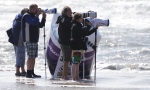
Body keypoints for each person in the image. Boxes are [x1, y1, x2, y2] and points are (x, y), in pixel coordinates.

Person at [70, 13, 98, 80]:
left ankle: (77, 77)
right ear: (77, 19)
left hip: (79, 46)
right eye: (81, 18)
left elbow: (86, 34)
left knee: (77, 62)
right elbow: (84, 33)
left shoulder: (78, 25)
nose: (82, 19)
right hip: (76, 46)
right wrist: (88, 26)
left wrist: (94, 29)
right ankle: (74, 78)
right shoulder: (75, 26)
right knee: (75, 62)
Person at [22, 4, 46, 78]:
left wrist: (44, 18)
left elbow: (40, 25)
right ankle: (28, 73)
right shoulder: (26, 16)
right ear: (32, 9)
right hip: (28, 39)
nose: (37, 10)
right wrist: (37, 15)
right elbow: (34, 22)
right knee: (30, 56)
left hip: (34, 39)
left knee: (33, 56)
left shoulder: (33, 16)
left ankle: (32, 72)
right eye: (36, 9)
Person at [56, 6, 72, 80]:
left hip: (63, 41)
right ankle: (64, 76)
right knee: (66, 59)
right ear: (66, 12)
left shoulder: (61, 18)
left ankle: (64, 75)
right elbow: (69, 26)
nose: (71, 12)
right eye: (70, 11)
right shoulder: (65, 20)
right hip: (65, 42)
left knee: (67, 59)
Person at [12, 8, 29, 76]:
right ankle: (17, 71)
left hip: (15, 39)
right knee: (20, 55)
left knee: (20, 54)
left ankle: (22, 70)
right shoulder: (21, 19)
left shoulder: (17, 17)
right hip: (20, 39)